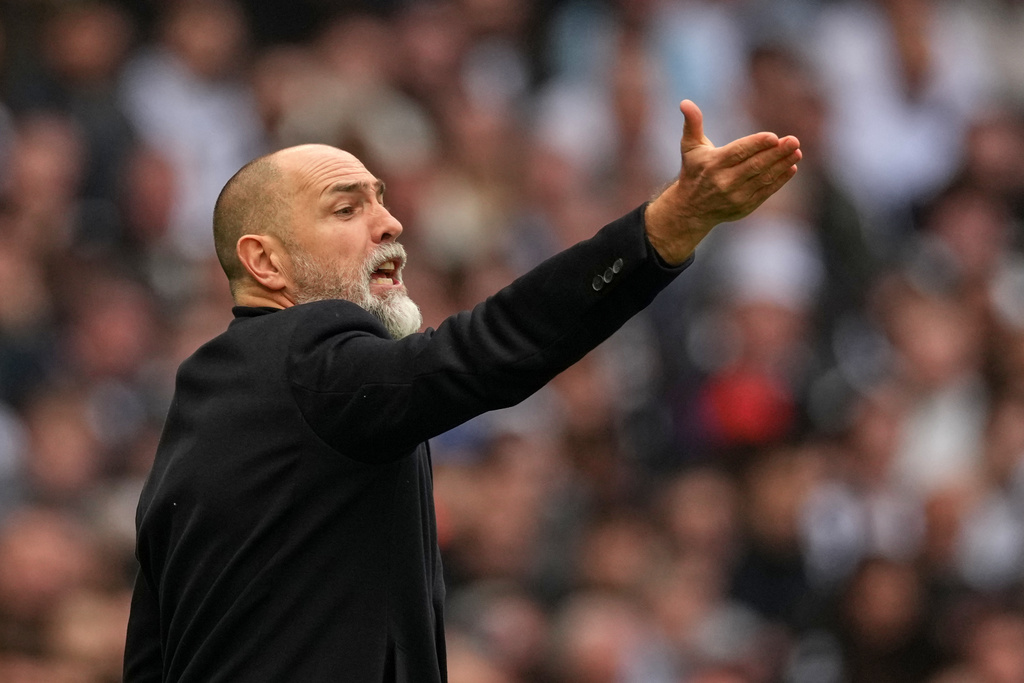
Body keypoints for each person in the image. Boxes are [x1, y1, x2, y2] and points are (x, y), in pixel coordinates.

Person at [123, 100, 800, 682]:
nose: (388, 223)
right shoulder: (306, 353)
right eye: (346, 206)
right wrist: (667, 227)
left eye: (382, 199)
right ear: (264, 261)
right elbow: (484, 350)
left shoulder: (198, 416)